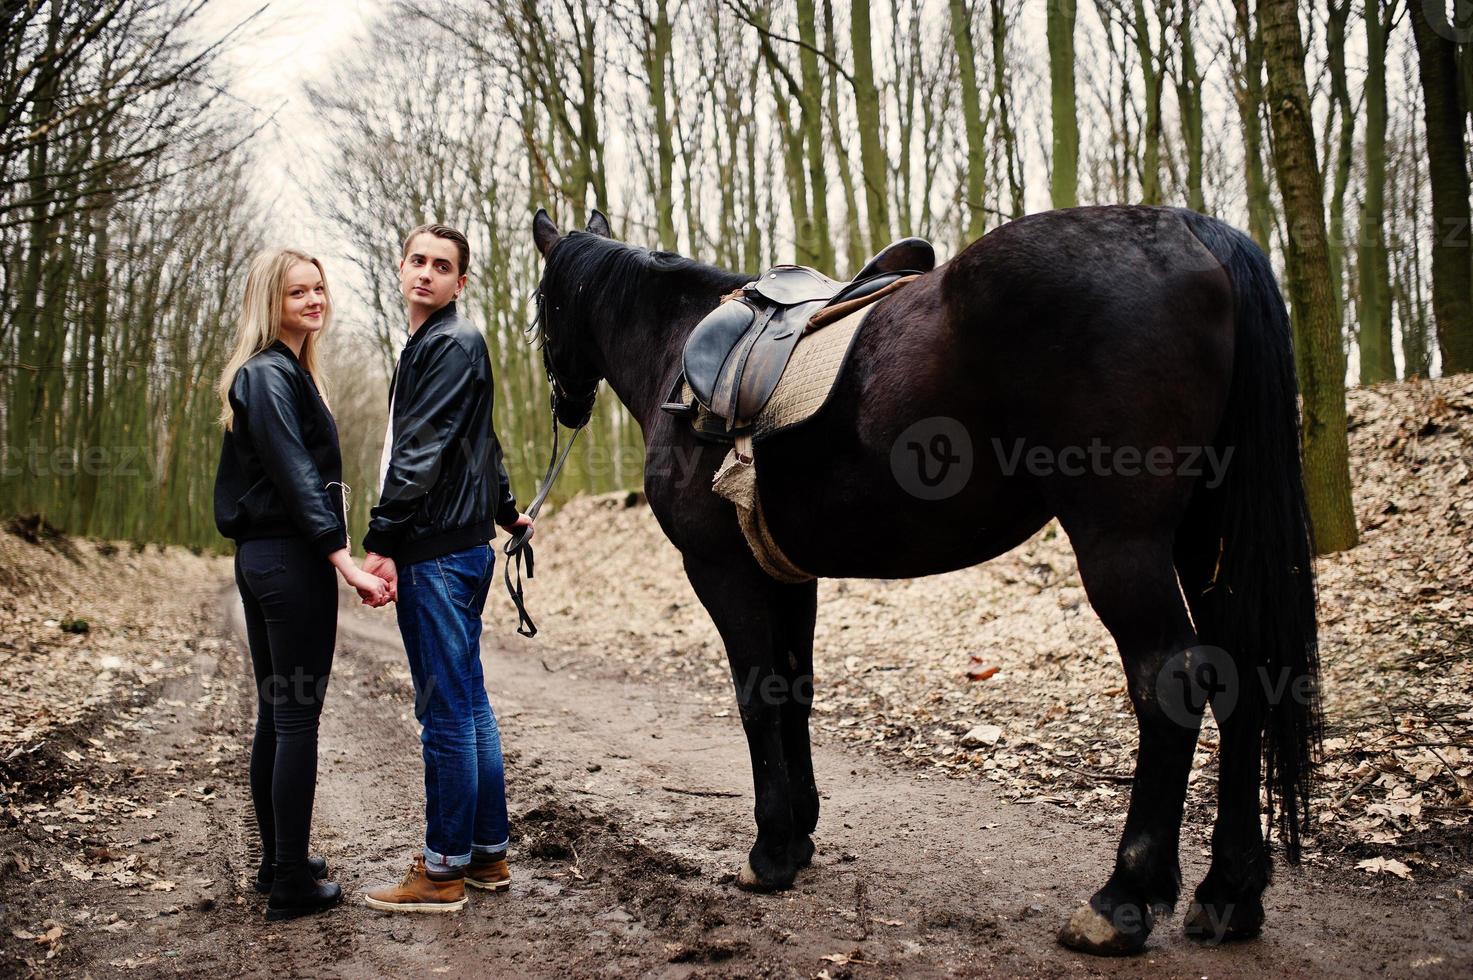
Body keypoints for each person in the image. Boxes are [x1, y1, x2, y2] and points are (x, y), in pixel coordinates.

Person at [214, 248, 391, 921]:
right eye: (298, 293)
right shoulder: (266, 376)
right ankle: (289, 878)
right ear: (271, 301)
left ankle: (277, 859)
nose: (314, 300)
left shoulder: (285, 373)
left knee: (278, 713)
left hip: (271, 560)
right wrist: (340, 558)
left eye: (319, 288)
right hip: (287, 562)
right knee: (294, 717)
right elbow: (293, 474)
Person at [360, 223, 533, 913]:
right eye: (417, 261)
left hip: (434, 551)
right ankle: (486, 857)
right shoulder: (437, 344)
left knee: (445, 715)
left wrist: (380, 539)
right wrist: (508, 509)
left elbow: (421, 452)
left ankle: (441, 871)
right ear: (399, 268)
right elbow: (480, 440)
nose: (427, 273)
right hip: (457, 543)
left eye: (443, 266)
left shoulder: (449, 342)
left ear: (460, 282)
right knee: (468, 703)